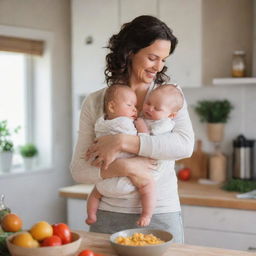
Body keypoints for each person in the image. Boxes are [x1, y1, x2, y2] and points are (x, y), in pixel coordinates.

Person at [70, 15, 194, 243]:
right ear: (130, 53)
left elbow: (185, 146)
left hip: (160, 212)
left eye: (163, 60)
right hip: (108, 214)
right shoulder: (96, 101)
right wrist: (126, 166)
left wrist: (122, 142)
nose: (159, 67)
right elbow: (79, 170)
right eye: (152, 57)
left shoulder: (169, 96)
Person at [86, 84, 155, 227]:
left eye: (135, 106)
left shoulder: (100, 123)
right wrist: (141, 125)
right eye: (129, 105)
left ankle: (91, 215)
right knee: (148, 186)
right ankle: (147, 214)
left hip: (105, 184)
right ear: (111, 107)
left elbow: (95, 144)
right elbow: (144, 140)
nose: (135, 109)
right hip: (128, 181)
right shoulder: (127, 123)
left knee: (94, 194)